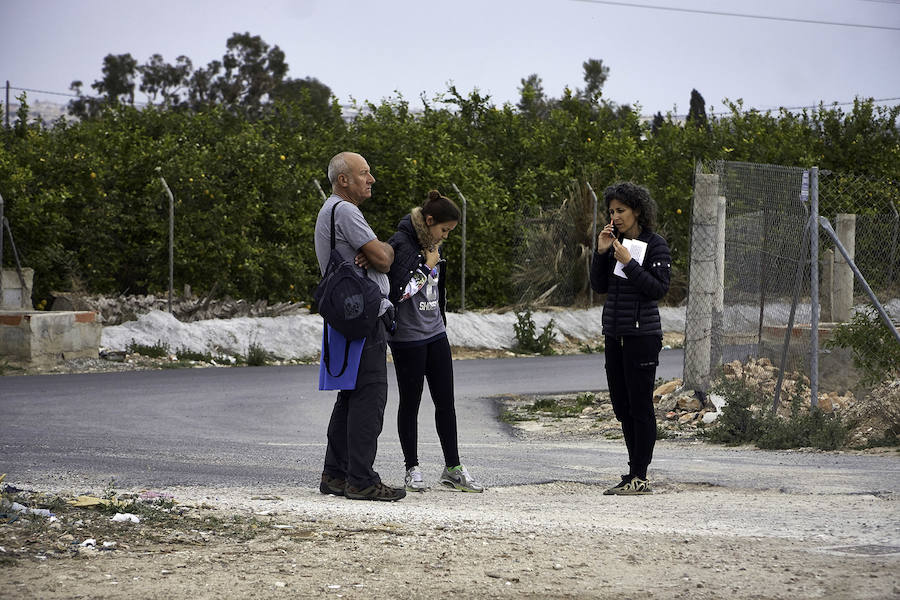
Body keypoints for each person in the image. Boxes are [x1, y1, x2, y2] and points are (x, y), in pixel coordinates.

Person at [314, 151, 405, 502]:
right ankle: (362, 480)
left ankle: (335, 475)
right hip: (364, 316)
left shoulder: (330, 211)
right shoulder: (347, 211)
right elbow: (384, 258)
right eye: (364, 173)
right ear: (344, 180)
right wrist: (383, 251)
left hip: (346, 313)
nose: (371, 179)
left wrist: (378, 251)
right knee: (369, 395)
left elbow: (378, 254)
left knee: (350, 396)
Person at [386, 190, 484, 493]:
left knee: (446, 402)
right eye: (444, 230)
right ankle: (411, 468)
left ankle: (453, 467)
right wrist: (427, 265)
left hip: (435, 334)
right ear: (429, 221)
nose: (446, 236)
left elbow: (436, 291)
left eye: (450, 232)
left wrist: (441, 319)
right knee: (411, 402)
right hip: (407, 339)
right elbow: (397, 292)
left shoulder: (432, 245)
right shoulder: (401, 244)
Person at [590, 182, 671, 495]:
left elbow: (658, 289)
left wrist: (629, 262)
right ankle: (631, 471)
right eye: (611, 211)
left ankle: (640, 475)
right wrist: (601, 252)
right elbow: (599, 286)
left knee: (640, 406)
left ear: (637, 210)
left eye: (621, 210)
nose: (615, 216)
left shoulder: (655, 245)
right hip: (615, 334)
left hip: (643, 335)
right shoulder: (615, 243)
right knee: (622, 407)